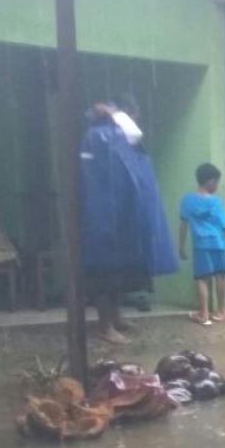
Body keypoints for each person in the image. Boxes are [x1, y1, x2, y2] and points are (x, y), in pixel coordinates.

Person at [79, 97, 178, 344]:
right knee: (105, 275)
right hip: (105, 221)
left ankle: (116, 318)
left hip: (121, 219)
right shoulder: (103, 137)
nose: (137, 119)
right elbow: (106, 181)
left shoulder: (120, 138)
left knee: (119, 276)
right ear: (124, 114)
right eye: (135, 114)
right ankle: (105, 326)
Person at [178, 163, 225, 326]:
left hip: (200, 244)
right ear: (210, 181)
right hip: (219, 243)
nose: (217, 185)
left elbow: (184, 224)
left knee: (202, 278)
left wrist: (181, 246)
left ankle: (203, 314)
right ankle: (221, 312)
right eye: (217, 181)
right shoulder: (216, 202)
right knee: (221, 275)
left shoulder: (187, 200)